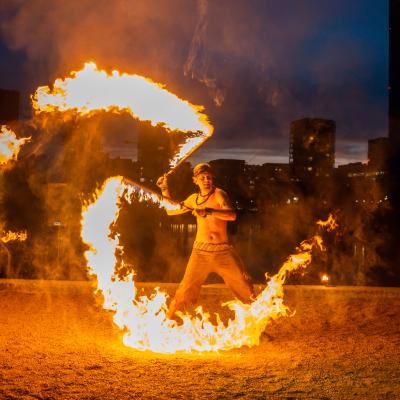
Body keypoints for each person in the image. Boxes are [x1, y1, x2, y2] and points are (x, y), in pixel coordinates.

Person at [157, 163, 254, 319]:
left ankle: (256, 328)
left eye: (208, 177)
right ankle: (168, 321)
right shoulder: (193, 199)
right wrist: (164, 189)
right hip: (200, 253)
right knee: (184, 290)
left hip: (222, 252)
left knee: (245, 288)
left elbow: (231, 215)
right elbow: (170, 210)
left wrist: (208, 211)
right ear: (195, 180)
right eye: (202, 178)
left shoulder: (219, 194)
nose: (206, 180)